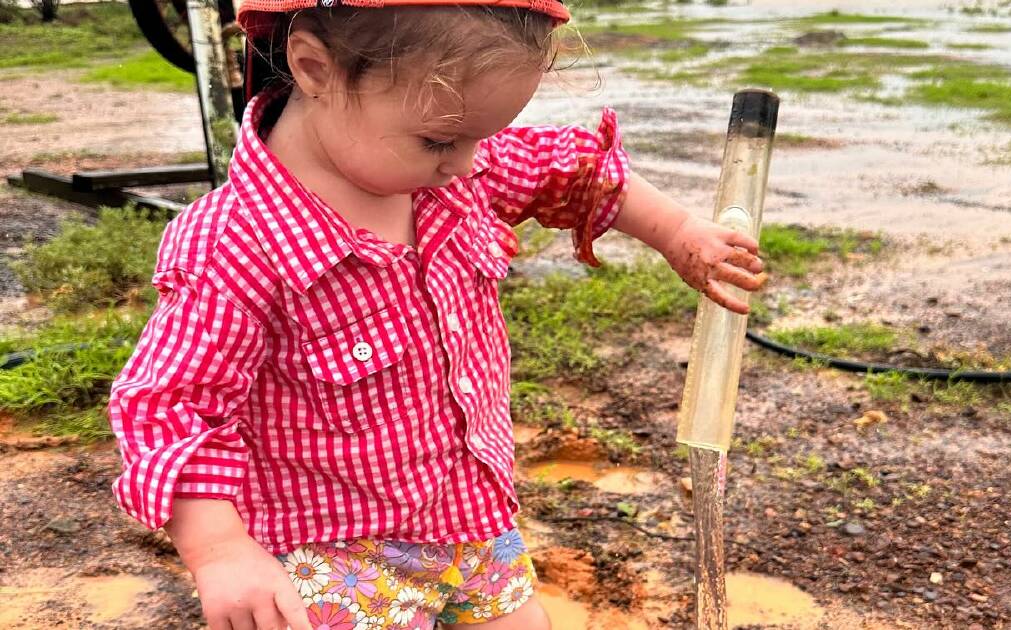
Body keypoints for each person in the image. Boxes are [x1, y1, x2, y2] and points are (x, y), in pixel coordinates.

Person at [107, 1, 766, 628]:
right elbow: (171, 404)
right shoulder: (236, 243)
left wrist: (679, 232)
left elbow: (573, 168)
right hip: (334, 553)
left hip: (473, 516)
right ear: (315, 70)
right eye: (440, 138)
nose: (471, 162)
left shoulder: (451, 169)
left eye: (486, 135)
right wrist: (220, 550)